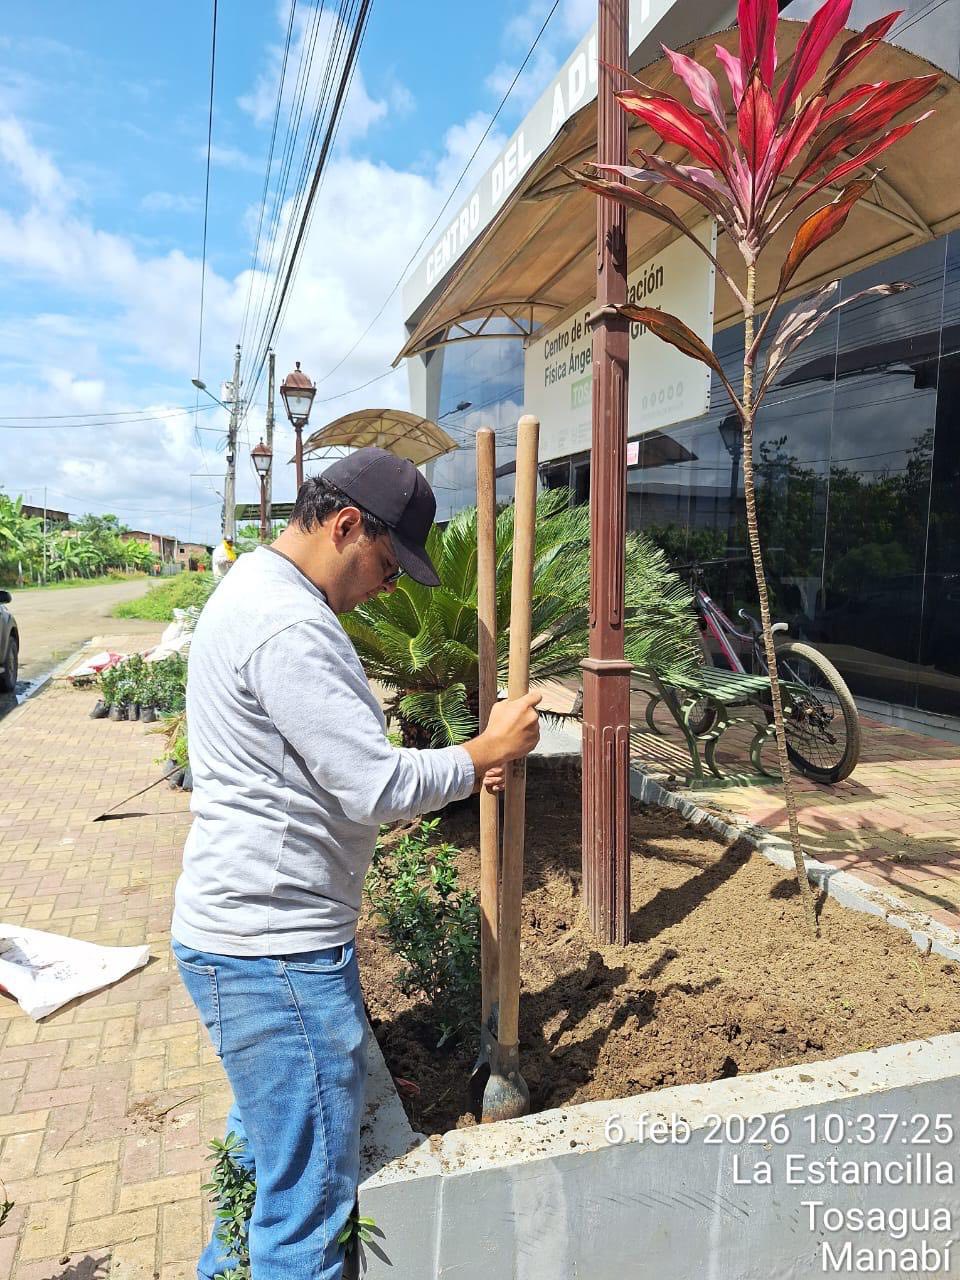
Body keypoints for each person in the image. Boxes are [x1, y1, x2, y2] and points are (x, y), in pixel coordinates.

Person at [171, 448, 540, 1279]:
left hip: (247, 938)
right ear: (344, 526)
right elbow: (373, 785)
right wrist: (484, 751)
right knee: (307, 1216)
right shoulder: (291, 625)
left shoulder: (257, 590)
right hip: (274, 954)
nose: (391, 588)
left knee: (266, 1162)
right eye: (388, 565)